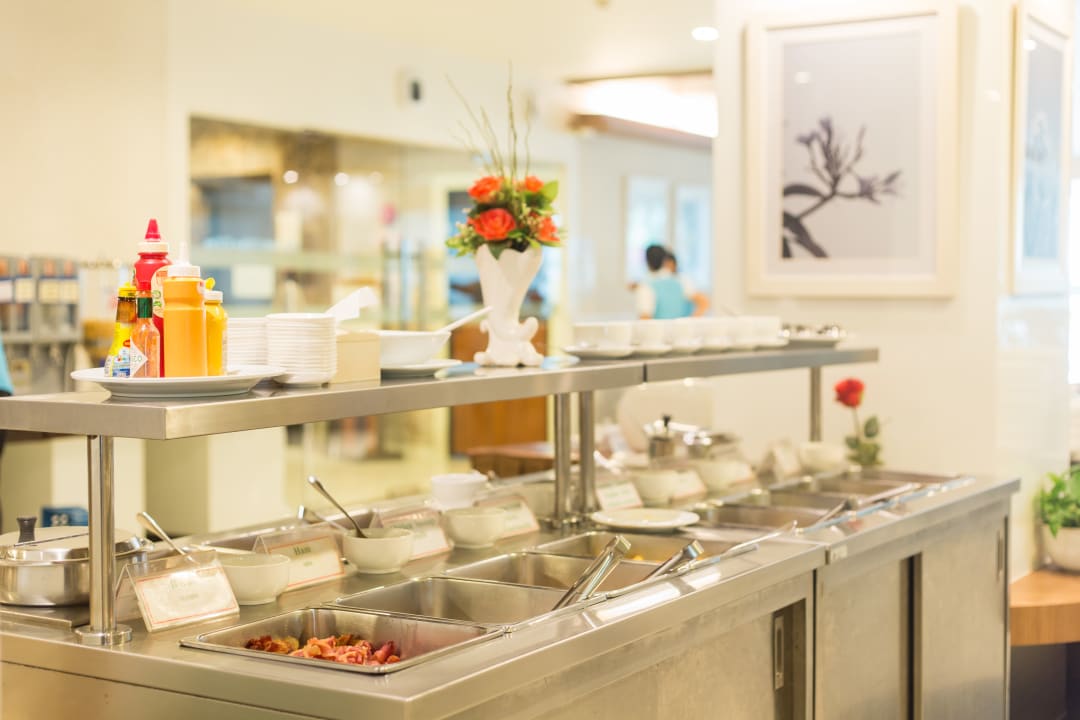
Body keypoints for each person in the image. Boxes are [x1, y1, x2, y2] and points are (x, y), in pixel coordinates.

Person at [634, 245, 709, 319]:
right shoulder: (681, 280)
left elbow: (645, 319)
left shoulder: (646, 286)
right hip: (680, 327)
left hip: (660, 327)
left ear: (647, 262)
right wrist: (690, 322)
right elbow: (704, 302)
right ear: (665, 260)